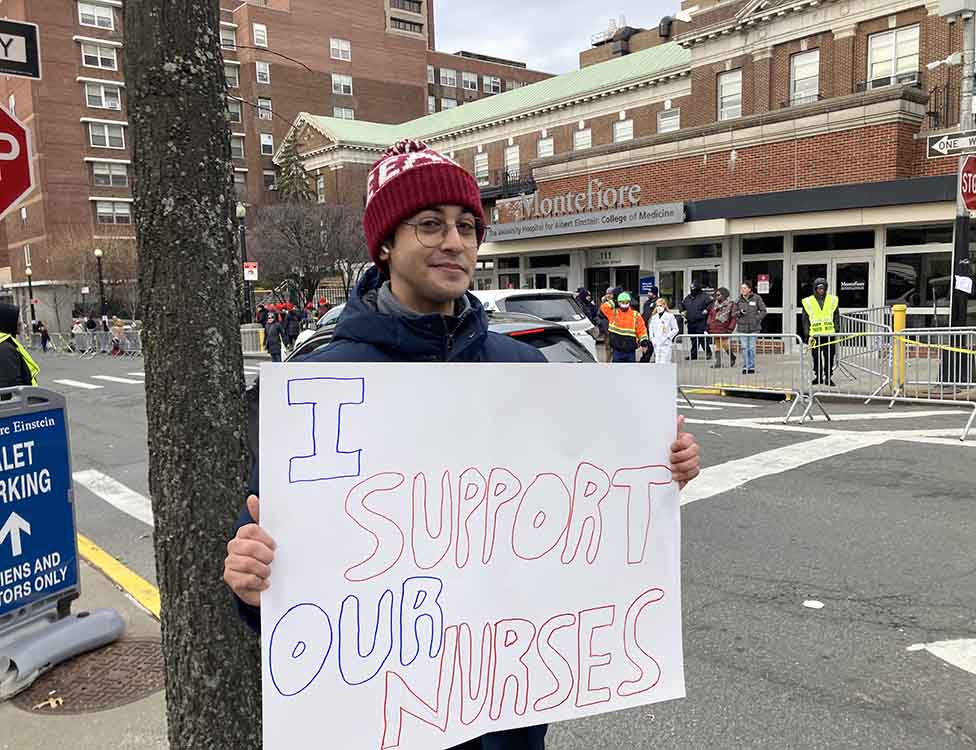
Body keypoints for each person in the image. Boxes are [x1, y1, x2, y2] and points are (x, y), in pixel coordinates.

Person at [222, 139, 702, 750]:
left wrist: (661, 467)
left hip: (506, 718)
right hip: (384, 720)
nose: (455, 241)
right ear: (386, 244)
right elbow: (274, 565)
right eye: (429, 224)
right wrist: (250, 582)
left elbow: (580, 505)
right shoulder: (326, 380)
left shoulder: (524, 366)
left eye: (467, 226)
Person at [802, 277, 839, 386]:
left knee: (829, 357)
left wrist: (837, 329)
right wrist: (806, 332)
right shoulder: (808, 301)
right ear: (815, 289)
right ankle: (818, 377)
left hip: (829, 334)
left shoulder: (832, 300)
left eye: (823, 288)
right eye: (818, 288)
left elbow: (836, 315)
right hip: (815, 335)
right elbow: (805, 318)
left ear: (826, 288)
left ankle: (828, 377)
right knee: (816, 357)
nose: (821, 290)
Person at [600, 291, 649, 363]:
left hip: (630, 351)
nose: (624, 304)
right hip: (617, 350)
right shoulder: (613, 313)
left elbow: (642, 330)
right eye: (622, 302)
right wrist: (614, 301)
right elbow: (603, 307)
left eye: (626, 302)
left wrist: (644, 343)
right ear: (618, 303)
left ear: (629, 302)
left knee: (630, 372)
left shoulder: (635, 315)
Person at [0, 304, 38, 388]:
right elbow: (11, 389)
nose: (21, 323)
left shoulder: (5, 345)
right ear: (7, 321)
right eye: (17, 318)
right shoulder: (5, 350)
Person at [734, 281, 767, 375]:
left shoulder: (756, 298)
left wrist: (756, 319)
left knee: (751, 348)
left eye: (744, 288)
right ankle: (745, 366)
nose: (742, 290)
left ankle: (751, 367)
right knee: (744, 348)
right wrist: (739, 313)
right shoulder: (738, 300)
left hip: (754, 328)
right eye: (741, 288)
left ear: (749, 289)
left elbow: (763, 311)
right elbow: (733, 313)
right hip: (742, 328)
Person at [680, 283, 712, 361]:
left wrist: (707, 310)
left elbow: (711, 304)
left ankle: (708, 352)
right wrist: (682, 311)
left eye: (694, 288)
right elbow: (682, 305)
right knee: (693, 339)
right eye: (691, 288)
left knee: (701, 338)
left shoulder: (704, 296)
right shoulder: (688, 297)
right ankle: (693, 354)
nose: (692, 289)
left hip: (700, 321)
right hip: (691, 321)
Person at [707, 287, 737, 369]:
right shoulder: (714, 304)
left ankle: (732, 357)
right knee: (717, 345)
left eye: (719, 295)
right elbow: (711, 315)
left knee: (724, 344)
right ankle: (718, 362)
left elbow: (734, 318)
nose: (717, 296)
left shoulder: (731, 304)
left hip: (724, 327)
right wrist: (708, 324)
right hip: (714, 327)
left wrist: (730, 328)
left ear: (724, 295)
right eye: (716, 295)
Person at [648, 296, 678, 365]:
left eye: (660, 305)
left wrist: (667, 337)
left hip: (666, 344)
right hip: (657, 344)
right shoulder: (654, 317)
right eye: (657, 306)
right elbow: (651, 329)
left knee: (665, 363)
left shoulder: (670, 316)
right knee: (657, 363)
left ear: (664, 306)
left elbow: (675, 329)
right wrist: (653, 339)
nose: (659, 307)